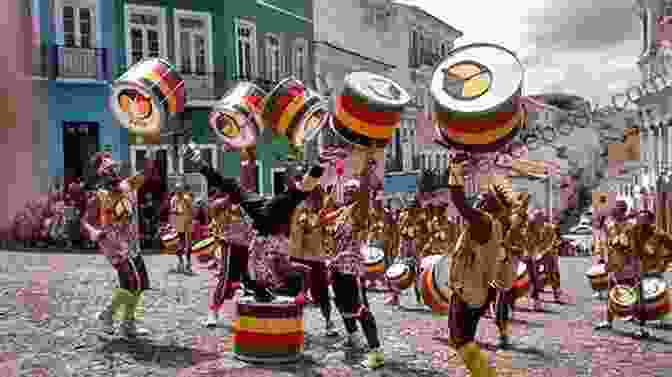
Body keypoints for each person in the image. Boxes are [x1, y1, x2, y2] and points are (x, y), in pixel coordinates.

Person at [181, 142, 319, 305]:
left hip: (265, 219)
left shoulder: (270, 266)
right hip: (266, 215)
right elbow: (301, 270)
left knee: (231, 186)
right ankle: (199, 161)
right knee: (231, 185)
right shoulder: (279, 263)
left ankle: (199, 161)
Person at [446, 157, 512, 377]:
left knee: (460, 341)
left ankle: (485, 375)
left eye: (479, 201)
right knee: (466, 340)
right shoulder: (496, 225)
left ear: (485, 207)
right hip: (479, 292)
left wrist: (455, 169)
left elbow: (458, 200)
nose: (475, 203)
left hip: (469, 292)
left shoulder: (483, 222)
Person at [82, 151, 157, 338]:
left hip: (133, 245)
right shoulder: (98, 196)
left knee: (138, 284)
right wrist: (94, 232)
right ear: (100, 174)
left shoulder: (128, 185)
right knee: (134, 283)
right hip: (115, 248)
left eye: (115, 167)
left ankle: (127, 324)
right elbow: (85, 221)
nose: (114, 171)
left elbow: (147, 172)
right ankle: (107, 315)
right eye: (108, 169)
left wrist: (150, 154)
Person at [326, 152, 384, 369]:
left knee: (360, 308)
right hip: (337, 265)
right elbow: (322, 218)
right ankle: (353, 337)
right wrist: (334, 180)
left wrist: (366, 171)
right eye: (348, 190)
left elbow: (364, 193)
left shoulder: (359, 211)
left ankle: (376, 352)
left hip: (351, 266)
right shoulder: (342, 212)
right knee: (342, 305)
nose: (350, 193)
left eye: (353, 190)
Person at [288, 184, 337, 336]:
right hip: (300, 257)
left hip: (317, 259)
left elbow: (329, 232)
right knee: (297, 292)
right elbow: (304, 228)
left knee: (322, 293)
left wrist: (325, 222)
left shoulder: (322, 212)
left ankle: (329, 322)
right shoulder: (301, 211)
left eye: (318, 196)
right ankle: (295, 324)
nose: (316, 199)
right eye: (312, 196)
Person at [201, 193, 253, 327]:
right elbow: (212, 209)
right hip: (230, 245)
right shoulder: (222, 204)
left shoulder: (246, 205)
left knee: (246, 282)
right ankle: (213, 311)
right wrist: (229, 198)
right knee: (225, 280)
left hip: (246, 246)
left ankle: (254, 315)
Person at [594, 200, 640, 333]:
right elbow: (607, 243)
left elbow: (634, 247)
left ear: (622, 211)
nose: (613, 213)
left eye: (616, 210)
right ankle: (608, 321)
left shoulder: (631, 227)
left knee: (632, 292)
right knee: (611, 293)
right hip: (614, 264)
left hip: (628, 265)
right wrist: (605, 260)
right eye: (613, 210)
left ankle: (637, 322)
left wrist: (634, 265)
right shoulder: (610, 226)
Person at [385, 203, 421, 307]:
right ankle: (395, 297)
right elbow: (404, 234)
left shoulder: (416, 218)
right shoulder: (406, 217)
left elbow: (412, 234)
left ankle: (419, 297)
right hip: (405, 249)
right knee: (396, 273)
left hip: (412, 248)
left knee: (417, 274)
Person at [170, 182, 194, 274]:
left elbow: (192, 210)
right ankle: (180, 262)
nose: (179, 192)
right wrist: (174, 212)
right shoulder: (173, 199)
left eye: (180, 190)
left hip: (187, 224)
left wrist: (190, 220)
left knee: (188, 245)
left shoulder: (187, 198)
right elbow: (172, 210)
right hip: (178, 224)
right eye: (177, 190)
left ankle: (188, 263)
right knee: (179, 245)